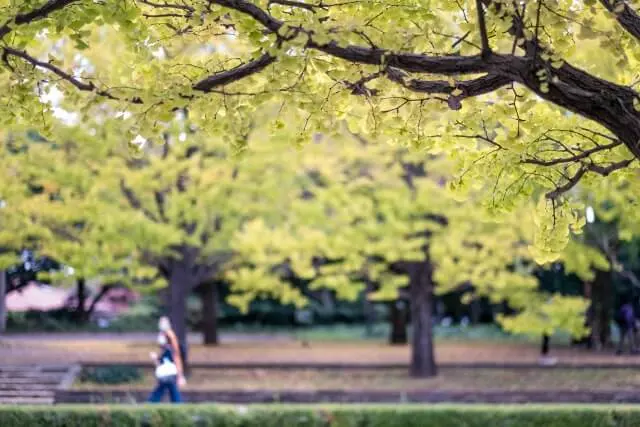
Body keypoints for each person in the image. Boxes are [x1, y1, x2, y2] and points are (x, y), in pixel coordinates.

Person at [148, 332, 183, 403]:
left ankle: (151, 403)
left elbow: (173, 361)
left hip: (168, 374)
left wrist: (180, 376)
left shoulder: (169, 350)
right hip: (167, 375)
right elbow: (160, 363)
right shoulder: (166, 350)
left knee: (164, 391)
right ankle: (178, 404)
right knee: (171, 391)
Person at [158, 316, 187, 386]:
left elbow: (175, 347)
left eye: (163, 322)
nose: (161, 324)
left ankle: (179, 379)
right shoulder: (162, 333)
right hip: (166, 355)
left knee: (171, 373)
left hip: (170, 355)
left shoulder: (170, 333)